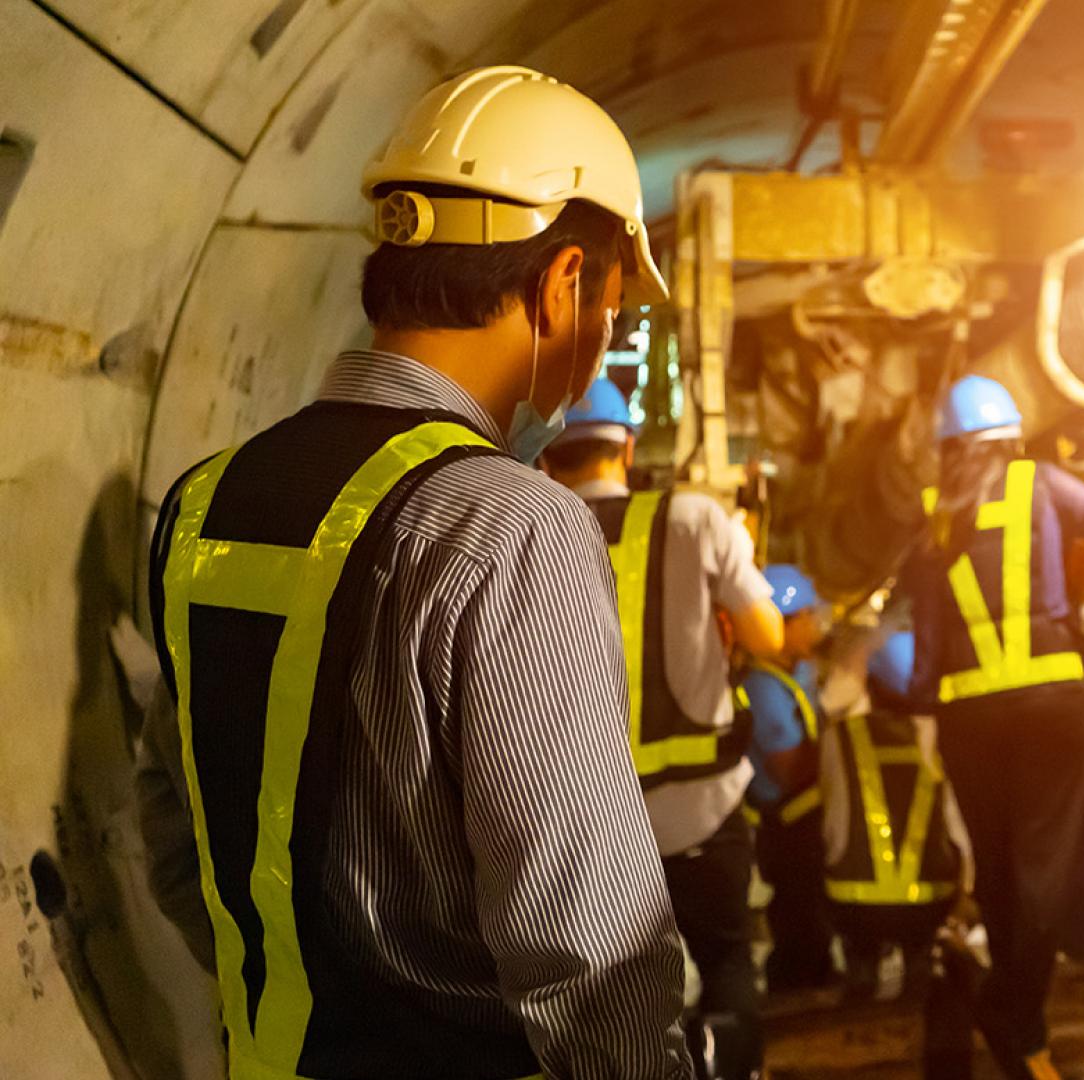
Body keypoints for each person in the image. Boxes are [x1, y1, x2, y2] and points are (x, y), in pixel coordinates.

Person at [142, 67, 692, 1078]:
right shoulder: (511, 525)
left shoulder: (201, 501)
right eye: (610, 307)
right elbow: (590, 953)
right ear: (562, 285)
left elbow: (177, 842)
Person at [905, 374, 1084, 1078]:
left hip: (968, 722)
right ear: (1009, 438)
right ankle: (1014, 1013)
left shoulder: (931, 517)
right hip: (1045, 716)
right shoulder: (1035, 484)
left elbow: (922, 657)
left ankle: (1020, 1018)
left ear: (949, 448)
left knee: (1001, 877)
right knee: (1039, 878)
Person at [541, 377, 785, 1080]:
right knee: (728, 962)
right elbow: (769, 637)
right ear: (628, 449)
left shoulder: (534, 532)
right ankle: (728, 1064)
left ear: (552, 458)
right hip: (704, 814)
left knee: (628, 992)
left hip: (598, 828)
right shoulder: (695, 518)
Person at [821, 631, 964, 1003]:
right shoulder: (945, 735)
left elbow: (832, 824)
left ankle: (860, 992)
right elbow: (957, 825)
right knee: (921, 979)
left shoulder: (840, 737)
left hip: (855, 901)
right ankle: (920, 993)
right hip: (929, 900)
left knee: (860, 974)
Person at [739, 563, 839, 992]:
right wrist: (839, 736)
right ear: (785, 622)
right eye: (809, 617)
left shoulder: (799, 668)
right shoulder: (761, 687)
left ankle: (815, 974)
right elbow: (790, 769)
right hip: (785, 824)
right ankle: (794, 987)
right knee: (801, 910)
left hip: (812, 813)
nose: (817, 626)